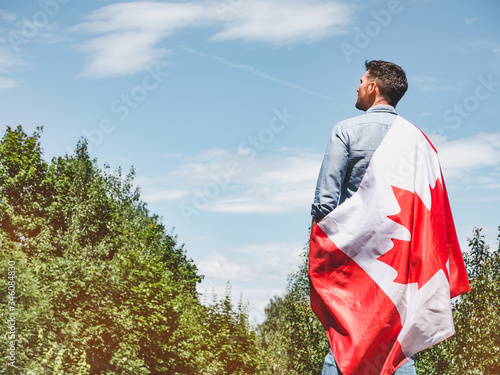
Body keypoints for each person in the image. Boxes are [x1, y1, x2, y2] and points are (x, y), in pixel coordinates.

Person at [310, 60, 416, 375]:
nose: (356, 87)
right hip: (400, 264)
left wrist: (320, 263)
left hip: (353, 261)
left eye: (360, 81)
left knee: (345, 344)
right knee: (398, 349)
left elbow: (325, 203)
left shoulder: (346, 130)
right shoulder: (417, 140)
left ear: (372, 87)